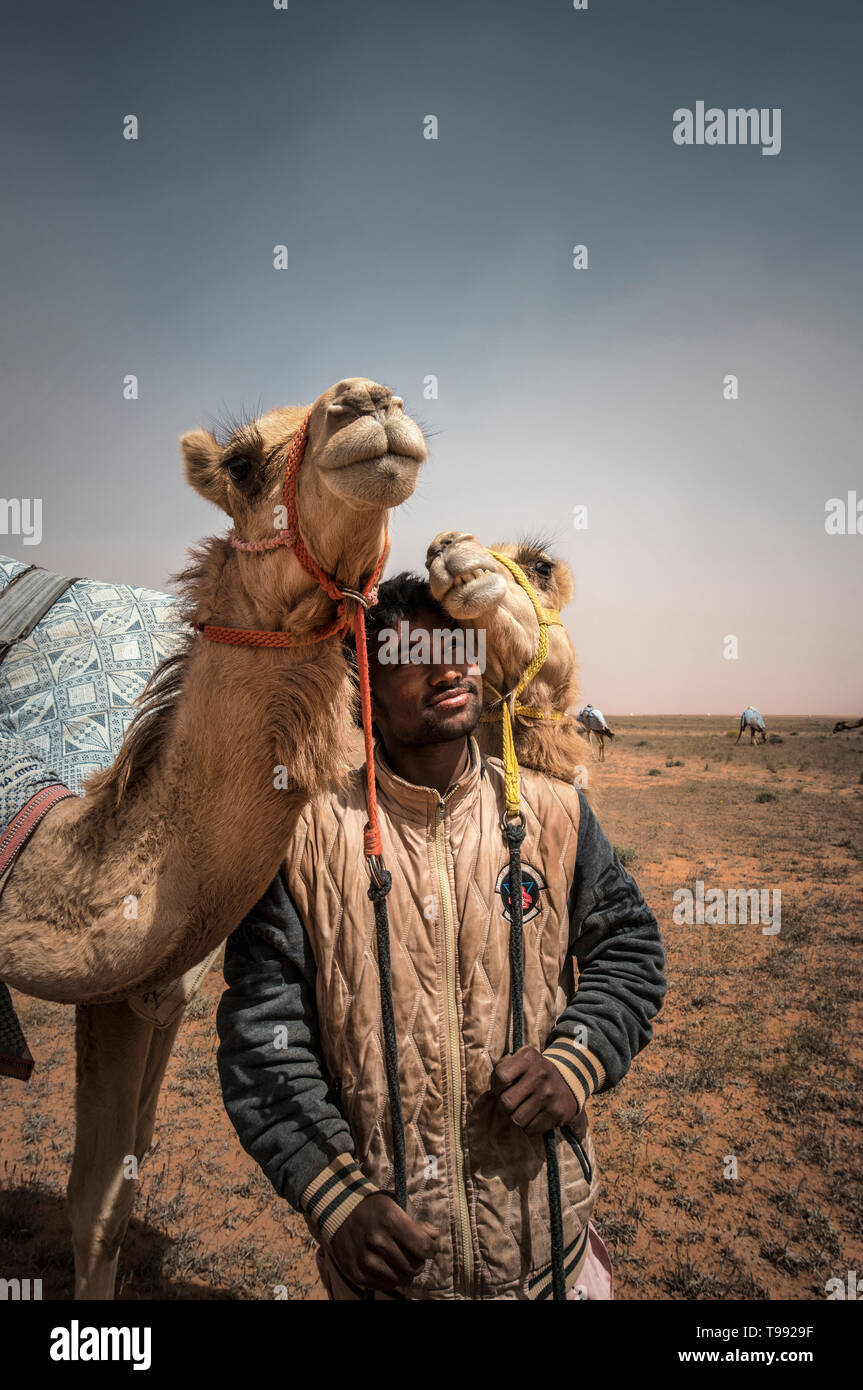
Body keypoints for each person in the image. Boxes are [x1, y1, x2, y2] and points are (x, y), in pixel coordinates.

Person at [216, 573, 666, 1300]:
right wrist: (335, 1198)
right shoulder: (303, 842)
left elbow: (630, 953)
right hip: (394, 1270)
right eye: (412, 650)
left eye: (459, 642)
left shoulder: (556, 816)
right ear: (363, 685)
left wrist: (575, 1062)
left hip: (548, 1255)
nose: (448, 663)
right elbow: (262, 1039)